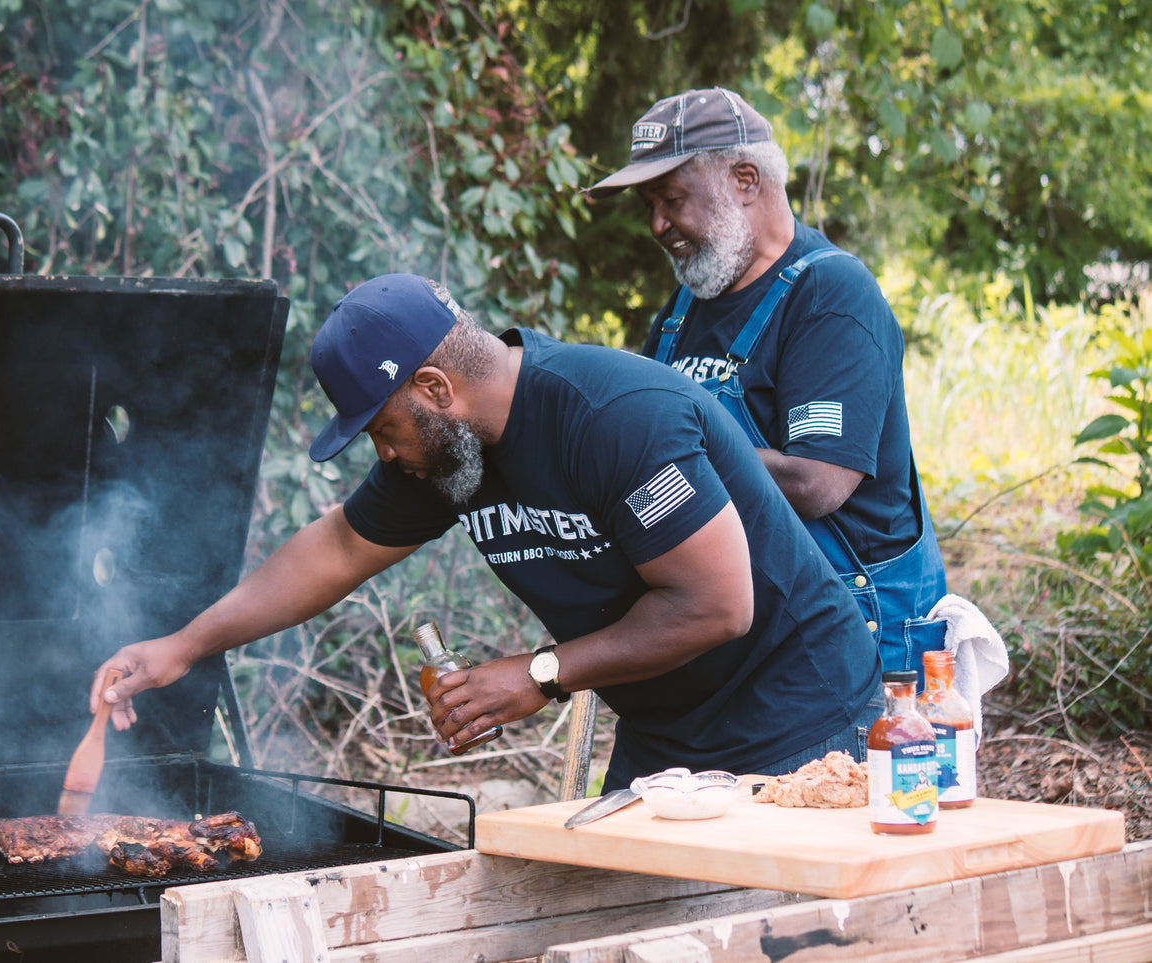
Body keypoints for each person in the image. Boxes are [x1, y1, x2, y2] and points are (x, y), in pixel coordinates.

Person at [88, 273, 880, 791]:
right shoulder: (448, 457)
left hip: (796, 708)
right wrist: (185, 645)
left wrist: (536, 673)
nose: (385, 452)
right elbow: (334, 549)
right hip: (669, 729)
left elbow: (716, 606)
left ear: (434, 388)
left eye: (382, 429)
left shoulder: (611, 417)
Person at [585, 87, 948, 678]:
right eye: (650, 204)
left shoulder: (830, 295)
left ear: (746, 180)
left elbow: (816, 483)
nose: (657, 224)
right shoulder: (683, 310)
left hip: (860, 637)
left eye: (673, 199)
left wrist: (660, 471)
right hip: (760, 627)